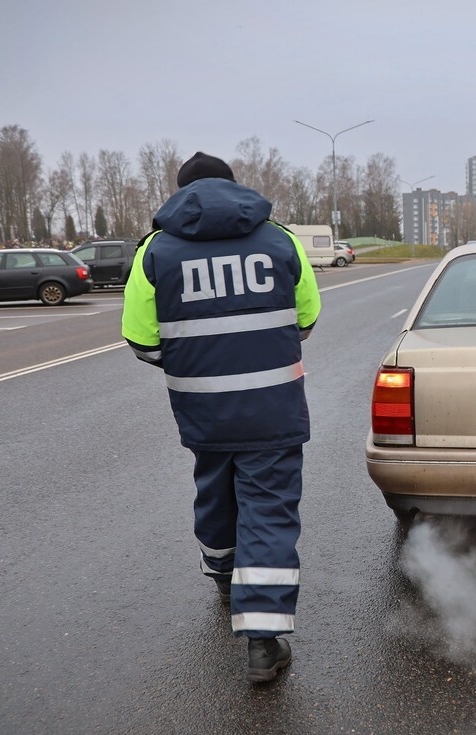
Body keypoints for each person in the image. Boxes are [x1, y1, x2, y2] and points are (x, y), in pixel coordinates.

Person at [121, 152, 321, 684]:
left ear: (181, 192)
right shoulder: (281, 239)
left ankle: (222, 574)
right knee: (269, 510)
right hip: (272, 409)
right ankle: (262, 641)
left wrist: (196, 359)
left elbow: (141, 339)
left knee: (216, 489)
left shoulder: (155, 251)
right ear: (236, 188)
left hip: (203, 410)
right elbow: (306, 318)